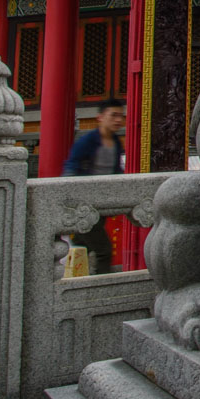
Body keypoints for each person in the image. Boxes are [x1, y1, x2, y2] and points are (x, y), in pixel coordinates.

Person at [61, 98, 126, 273]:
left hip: (102, 203)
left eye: (121, 116)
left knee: (82, 246)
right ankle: (102, 288)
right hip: (85, 204)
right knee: (104, 250)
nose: (118, 120)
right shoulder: (87, 141)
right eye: (113, 115)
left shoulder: (116, 143)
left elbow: (116, 171)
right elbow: (71, 167)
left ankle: (74, 279)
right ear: (100, 117)